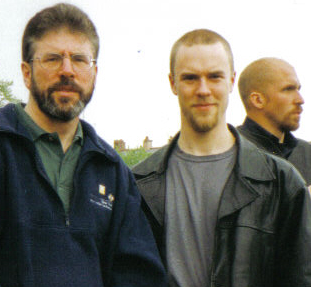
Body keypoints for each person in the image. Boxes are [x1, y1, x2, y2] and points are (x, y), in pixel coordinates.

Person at [0, 3, 166, 287]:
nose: (67, 71)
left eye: (80, 59)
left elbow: (138, 275)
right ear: (26, 72)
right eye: (53, 58)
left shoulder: (113, 171)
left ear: (94, 72)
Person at [132, 29, 311, 287]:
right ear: (173, 83)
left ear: (231, 80)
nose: (203, 90)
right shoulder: (137, 184)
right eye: (191, 78)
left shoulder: (281, 182)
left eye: (214, 77)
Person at [237, 57, 311, 188]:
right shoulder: (230, 152)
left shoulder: (307, 154)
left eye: (298, 89)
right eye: (288, 89)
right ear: (258, 100)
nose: (300, 99)